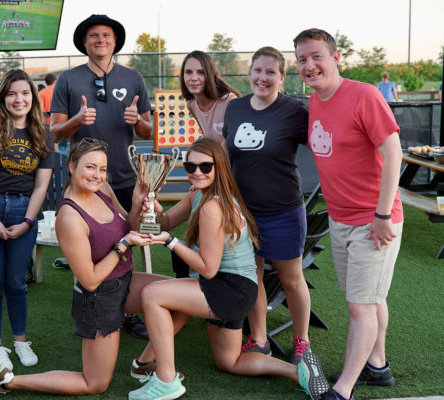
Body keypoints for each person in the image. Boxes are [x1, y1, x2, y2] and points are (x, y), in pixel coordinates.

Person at [127, 137, 330, 400]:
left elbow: (208, 269)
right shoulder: (198, 194)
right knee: (229, 362)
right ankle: (298, 371)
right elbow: (165, 222)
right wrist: (154, 209)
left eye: (205, 167)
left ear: (219, 166)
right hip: (237, 288)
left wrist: (169, 242)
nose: (196, 172)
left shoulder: (213, 207)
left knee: (154, 294)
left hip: (228, 288)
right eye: (190, 167)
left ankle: (165, 380)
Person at [0, 138, 172, 396]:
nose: (98, 175)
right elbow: (90, 280)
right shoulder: (69, 217)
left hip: (124, 280)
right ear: (72, 166)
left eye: (102, 169)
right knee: (94, 384)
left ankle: (143, 364)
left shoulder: (103, 190)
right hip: (98, 297)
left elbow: (128, 226)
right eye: (90, 167)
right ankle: (10, 381)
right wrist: (123, 245)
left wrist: (138, 205)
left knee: (175, 297)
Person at [294, 29, 403, 400]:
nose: (309, 65)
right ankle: (378, 366)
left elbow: (393, 153)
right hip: (341, 218)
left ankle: (343, 389)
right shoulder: (315, 100)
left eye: (316, 56)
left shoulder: (365, 95)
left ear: (336, 57)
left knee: (360, 306)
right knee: (370, 299)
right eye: (302, 59)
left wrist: (383, 215)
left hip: (374, 221)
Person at [50, 13, 152, 339]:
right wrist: (77, 120)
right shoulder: (68, 80)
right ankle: (91, 307)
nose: (100, 41)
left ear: (114, 41)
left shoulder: (133, 78)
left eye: (106, 36)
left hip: (122, 176)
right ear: (84, 42)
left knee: (126, 241)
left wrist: (138, 121)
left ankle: (124, 311)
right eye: (94, 36)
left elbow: (150, 131)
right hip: (86, 180)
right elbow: (54, 132)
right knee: (89, 249)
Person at [222, 46, 311, 364]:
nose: (263, 77)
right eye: (257, 70)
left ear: (282, 78)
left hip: (283, 211)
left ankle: (303, 342)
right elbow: (225, 151)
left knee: (290, 279)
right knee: (253, 276)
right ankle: (259, 339)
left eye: (270, 72)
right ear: (249, 73)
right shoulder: (235, 109)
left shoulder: (294, 112)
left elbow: (324, 146)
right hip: (243, 212)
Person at [0, 69, 54, 373]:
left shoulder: (42, 133)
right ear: (2, 98)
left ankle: (20, 340)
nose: (18, 99)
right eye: (11, 93)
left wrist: (27, 221)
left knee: (17, 283)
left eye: (24, 93)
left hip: (24, 211)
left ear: (33, 97)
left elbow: (41, 186)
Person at [180, 50, 240, 146]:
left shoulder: (229, 101)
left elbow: (235, 144)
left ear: (210, 75)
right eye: (188, 72)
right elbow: (208, 137)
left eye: (201, 72)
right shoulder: (191, 105)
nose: (194, 78)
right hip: (215, 159)